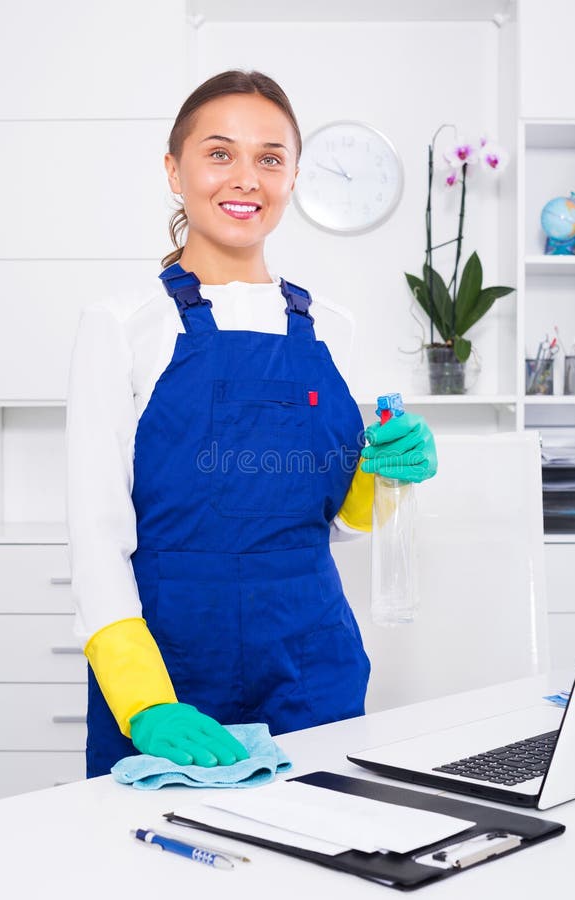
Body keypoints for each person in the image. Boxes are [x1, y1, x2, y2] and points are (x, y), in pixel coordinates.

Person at [66, 69, 437, 779]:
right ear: (174, 171)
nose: (245, 178)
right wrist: (143, 702)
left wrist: (383, 473)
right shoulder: (120, 325)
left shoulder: (330, 326)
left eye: (269, 157)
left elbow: (336, 522)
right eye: (218, 153)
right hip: (170, 660)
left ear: (292, 177)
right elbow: (96, 539)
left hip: (311, 660)